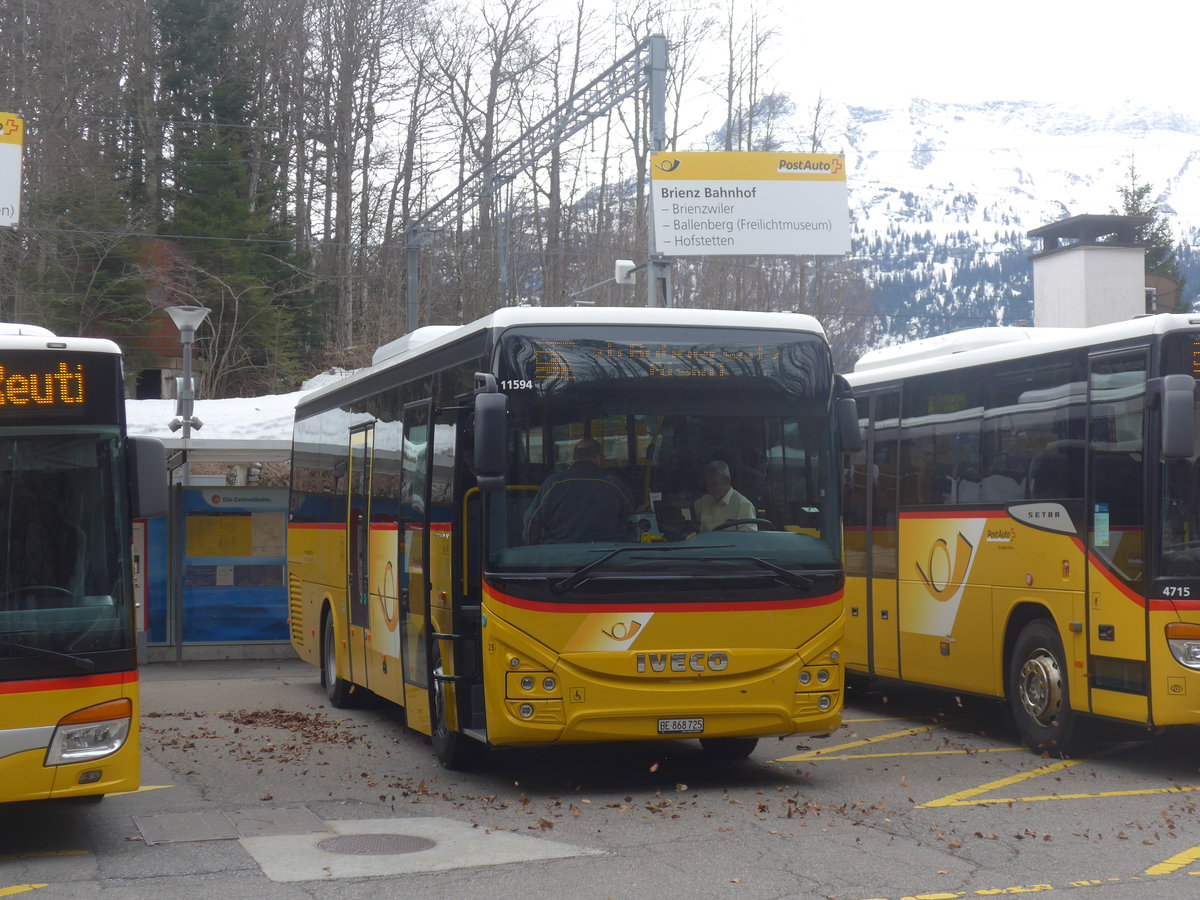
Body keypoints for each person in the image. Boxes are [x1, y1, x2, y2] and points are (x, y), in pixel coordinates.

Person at [524, 438, 634, 543]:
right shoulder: (613, 482)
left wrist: (534, 548)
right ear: (598, 457)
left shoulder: (553, 483)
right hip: (607, 554)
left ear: (574, 458)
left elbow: (532, 521)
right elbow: (630, 513)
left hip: (559, 553)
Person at [695, 460, 758, 532]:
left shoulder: (743, 505)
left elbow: (747, 539)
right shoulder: (703, 502)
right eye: (708, 484)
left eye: (714, 483)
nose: (710, 488)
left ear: (727, 480)